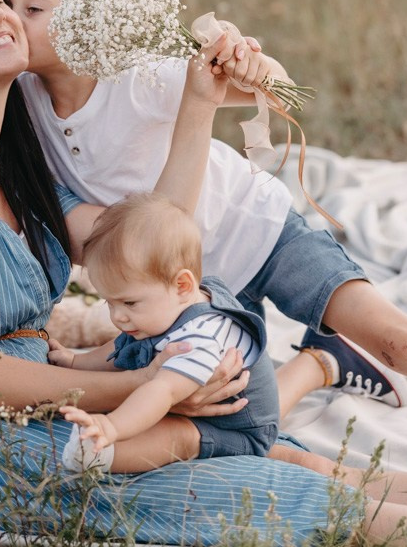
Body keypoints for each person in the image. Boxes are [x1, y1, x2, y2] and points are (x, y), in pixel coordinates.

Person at [0, 0, 407, 547]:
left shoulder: (19, 167)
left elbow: (152, 241)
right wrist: (146, 384)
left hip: (44, 406)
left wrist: (199, 101)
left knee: (284, 456)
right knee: (281, 494)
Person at [3, 0, 407, 415]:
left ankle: (349, 351)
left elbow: (279, 94)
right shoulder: (20, 105)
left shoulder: (138, 79)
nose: (10, 19)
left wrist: (250, 63)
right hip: (192, 290)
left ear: (89, 23)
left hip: (260, 231)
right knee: (242, 417)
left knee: (399, 343)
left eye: (33, 9)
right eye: (7, 3)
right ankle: (324, 361)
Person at [52, 193, 279, 474]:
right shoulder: (167, 306)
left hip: (236, 432)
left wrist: (112, 426)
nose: (117, 315)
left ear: (183, 285)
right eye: (108, 302)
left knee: (174, 435)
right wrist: (76, 362)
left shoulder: (199, 339)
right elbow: (122, 348)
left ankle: (100, 455)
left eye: (128, 302)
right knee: (137, 372)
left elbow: (163, 390)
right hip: (196, 403)